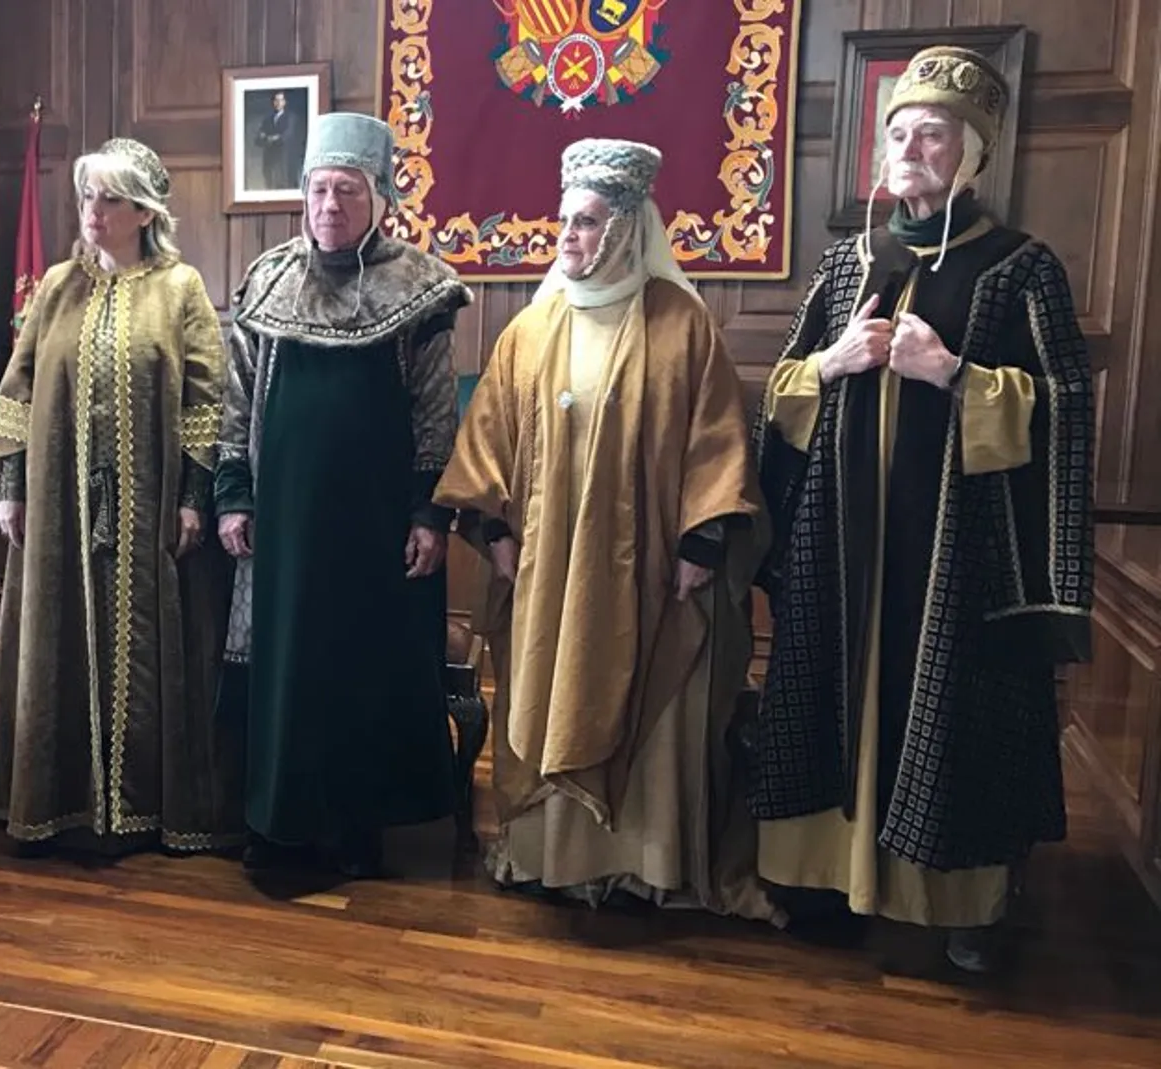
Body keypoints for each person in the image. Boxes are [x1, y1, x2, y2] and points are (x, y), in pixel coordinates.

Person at [750, 46, 1095, 972]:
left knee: (953, 712)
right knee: (828, 690)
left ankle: (959, 903)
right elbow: (779, 394)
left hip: (960, 552)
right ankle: (822, 877)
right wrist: (833, 365)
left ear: (972, 154)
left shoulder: (1021, 267)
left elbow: (1064, 403)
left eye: (932, 134)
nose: (909, 147)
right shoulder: (845, 260)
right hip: (840, 542)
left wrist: (952, 375)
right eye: (897, 132)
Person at [433, 139, 778, 922]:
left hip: (650, 568)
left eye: (586, 224)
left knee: (649, 697)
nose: (568, 239)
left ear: (627, 227)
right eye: (564, 223)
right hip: (547, 572)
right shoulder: (533, 326)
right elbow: (486, 437)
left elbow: (717, 440)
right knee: (547, 689)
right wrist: (492, 530)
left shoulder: (683, 324)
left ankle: (642, 864)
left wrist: (701, 543)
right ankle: (551, 858)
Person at [216, 112, 468, 877]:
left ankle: (355, 835)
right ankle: (279, 833)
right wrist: (234, 494)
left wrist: (430, 513)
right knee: (286, 675)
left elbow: (433, 413)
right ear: (304, 195)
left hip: (374, 528)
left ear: (379, 199)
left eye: (348, 191)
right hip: (284, 530)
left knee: (363, 674)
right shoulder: (266, 280)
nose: (331, 205)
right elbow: (235, 401)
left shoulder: (417, 290)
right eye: (320, 189)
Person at [0, 138, 240, 855]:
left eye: (110, 200)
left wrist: (192, 493)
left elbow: (204, 399)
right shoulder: (58, 286)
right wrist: (13, 486)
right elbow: (20, 388)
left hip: (152, 509)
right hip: (58, 506)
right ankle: (61, 800)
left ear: (143, 212)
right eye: (88, 197)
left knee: (151, 647)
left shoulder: (179, 288)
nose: (94, 211)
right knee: (58, 636)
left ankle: (145, 807)